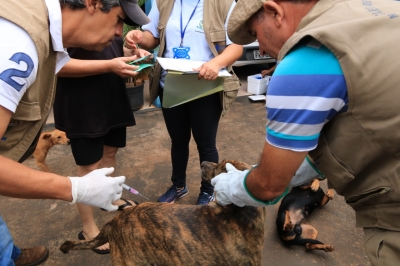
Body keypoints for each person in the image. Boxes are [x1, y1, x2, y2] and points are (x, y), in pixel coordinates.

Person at [211, 0, 400, 265]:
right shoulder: (374, 9)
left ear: (274, 11)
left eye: (256, 34)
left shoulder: (304, 63)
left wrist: (233, 187)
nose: (262, 49)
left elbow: (268, 186)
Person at [0, 0, 149, 265]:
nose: (119, 31)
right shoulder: (18, 41)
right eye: (117, 19)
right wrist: (75, 188)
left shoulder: (39, 28)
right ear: (93, 3)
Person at [124, 0, 243, 205]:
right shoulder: (164, 3)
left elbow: (236, 46)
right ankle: (178, 186)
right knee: (178, 141)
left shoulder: (222, 3)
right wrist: (137, 36)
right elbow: (152, 38)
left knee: (206, 144)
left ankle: (208, 189)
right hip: (171, 85)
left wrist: (216, 63)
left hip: (204, 87)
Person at [54, 39, 151, 254]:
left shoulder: (109, 14)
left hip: (110, 94)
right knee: (89, 166)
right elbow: (56, 64)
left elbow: (109, 49)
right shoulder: (63, 15)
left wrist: (129, 53)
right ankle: (88, 228)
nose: (119, 30)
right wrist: (109, 65)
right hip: (81, 100)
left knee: (110, 151)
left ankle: (110, 198)